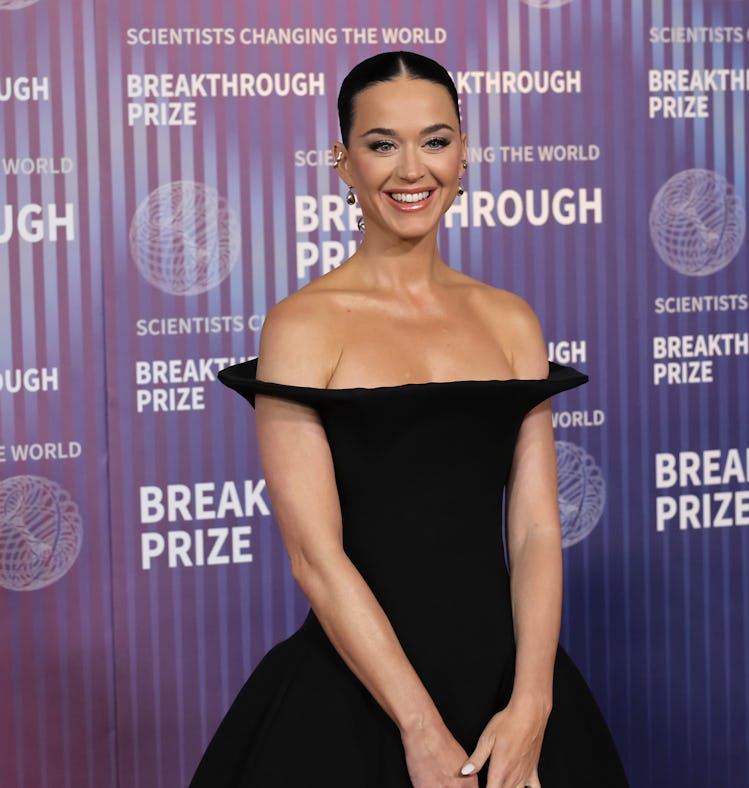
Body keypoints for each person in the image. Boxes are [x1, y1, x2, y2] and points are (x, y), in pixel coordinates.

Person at [191, 51, 628, 787]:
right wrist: (419, 729)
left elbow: (535, 530)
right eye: (381, 144)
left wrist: (532, 704)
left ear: (464, 153)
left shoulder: (511, 321)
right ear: (343, 161)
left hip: (507, 691)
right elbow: (315, 556)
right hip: (360, 699)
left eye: (435, 140)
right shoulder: (302, 327)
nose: (411, 170)